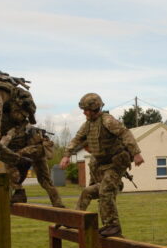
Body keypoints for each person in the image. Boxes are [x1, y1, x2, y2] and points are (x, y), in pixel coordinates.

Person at [59, 93, 144, 238]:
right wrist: (66, 155)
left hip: (115, 164)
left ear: (95, 108)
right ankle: (75, 219)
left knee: (105, 192)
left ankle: (113, 226)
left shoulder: (107, 121)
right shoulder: (88, 124)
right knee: (88, 191)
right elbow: (77, 139)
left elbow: (125, 133)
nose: (84, 112)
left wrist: (136, 153)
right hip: (101, 166)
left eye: (86, 109)